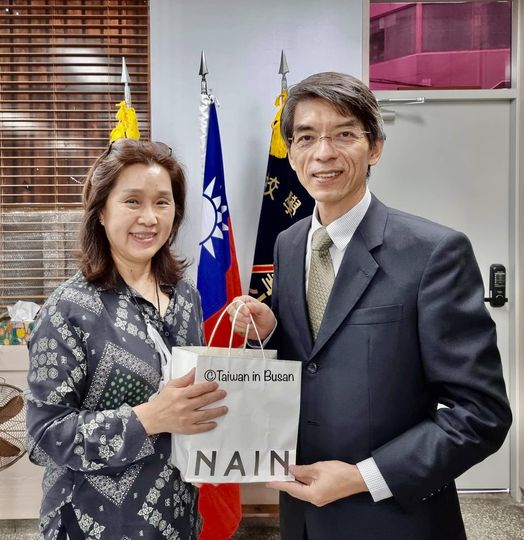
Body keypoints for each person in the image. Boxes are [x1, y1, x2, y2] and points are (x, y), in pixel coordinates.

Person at [230, 72, 512, 540]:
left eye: (344, 134)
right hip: (302, 513)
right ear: (291, 153)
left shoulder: (434, 252)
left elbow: (481, 413)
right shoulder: (289, 243)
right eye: (306, 137)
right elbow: (315, 359)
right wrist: (270, 331)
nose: (323, 153)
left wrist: (363, 477)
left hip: (395, 518)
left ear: (375, 147)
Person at [26, 139, 228, 540]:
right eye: (132, 201)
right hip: (95, 522)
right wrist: (148, 418)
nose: (149, 218)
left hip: (177, 514)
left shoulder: (185, 297)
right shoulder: (68, 308)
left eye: (162, 202)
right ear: (101, 211)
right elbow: (45, 437)